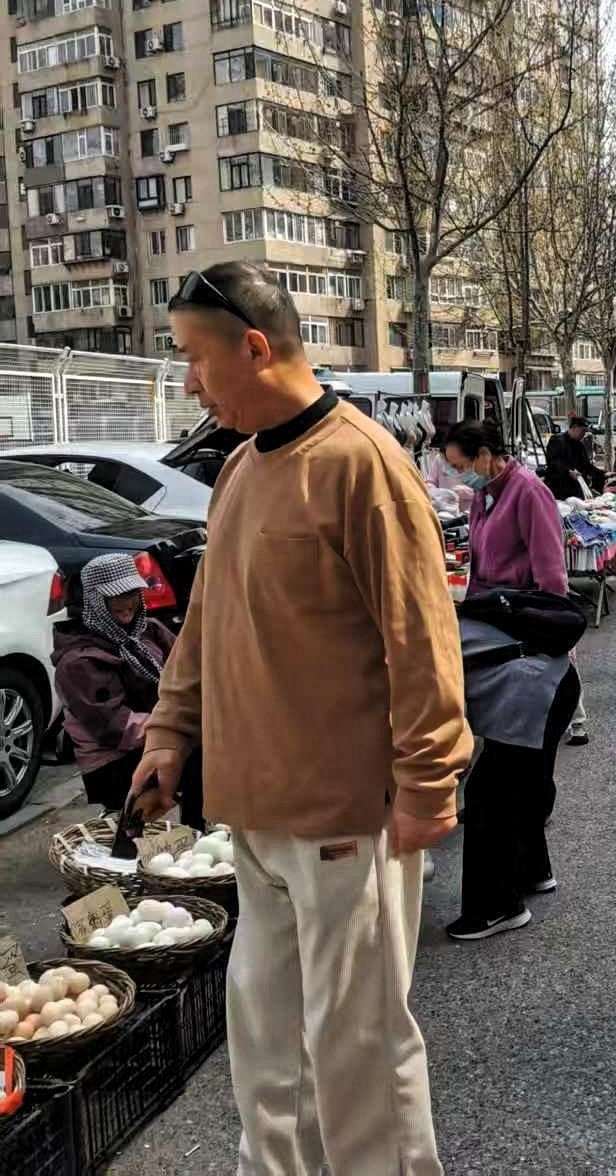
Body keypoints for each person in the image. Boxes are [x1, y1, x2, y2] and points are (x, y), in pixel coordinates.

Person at [132, 262, 471, 1176]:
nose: (189, 383)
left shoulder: (362, 464)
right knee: (267, 1040)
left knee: (357, 1046)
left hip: (347, 820)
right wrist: (170, 732)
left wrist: (428, 785)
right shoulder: (243, 464)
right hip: (255, 813)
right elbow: (210, 621)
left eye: (195, 360)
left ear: (252, 347)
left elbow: (422, 642)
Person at [442, 419, 583, 938]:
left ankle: (499, 904)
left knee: (495, 789)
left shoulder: (530, 493)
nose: (460, 477)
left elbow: (552, 583)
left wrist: (522, 621)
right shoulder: (485, 498)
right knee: (520, 776)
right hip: (500, 634)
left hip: (528, 644)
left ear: (486, 455)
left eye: (462, 466)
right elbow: (482, 569)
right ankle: (532, 871)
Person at [53, 554, 203, 826]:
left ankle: (199, 832)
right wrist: (178, 729)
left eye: (132, 593)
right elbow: (115, 728)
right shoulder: (78, 661)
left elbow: (187, 671)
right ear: (95, 602)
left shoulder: (149, 631)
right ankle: (196, 836)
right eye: (115, 596)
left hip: (154, 738)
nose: (127, 603)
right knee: (198, 760)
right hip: (114, 759)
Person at [544, 415, 604, 502]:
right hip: (558, 488)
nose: (584, 434)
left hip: (575, 489)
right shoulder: (557, 440)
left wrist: (603, 474)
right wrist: (568, 471)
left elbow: (586, 466)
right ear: (574, 427)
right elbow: (554, 462)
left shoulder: (579, 445)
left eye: (585, 432)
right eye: (582, 431)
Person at [421, 426, 476, 510]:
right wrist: (437, 492)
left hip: (469, 511)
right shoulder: (439, 459)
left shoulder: (475, 464)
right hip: (444, 509)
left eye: (459, 465)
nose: (456, 468)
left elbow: (485, 492)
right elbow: (430, 481)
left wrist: (468, 492)